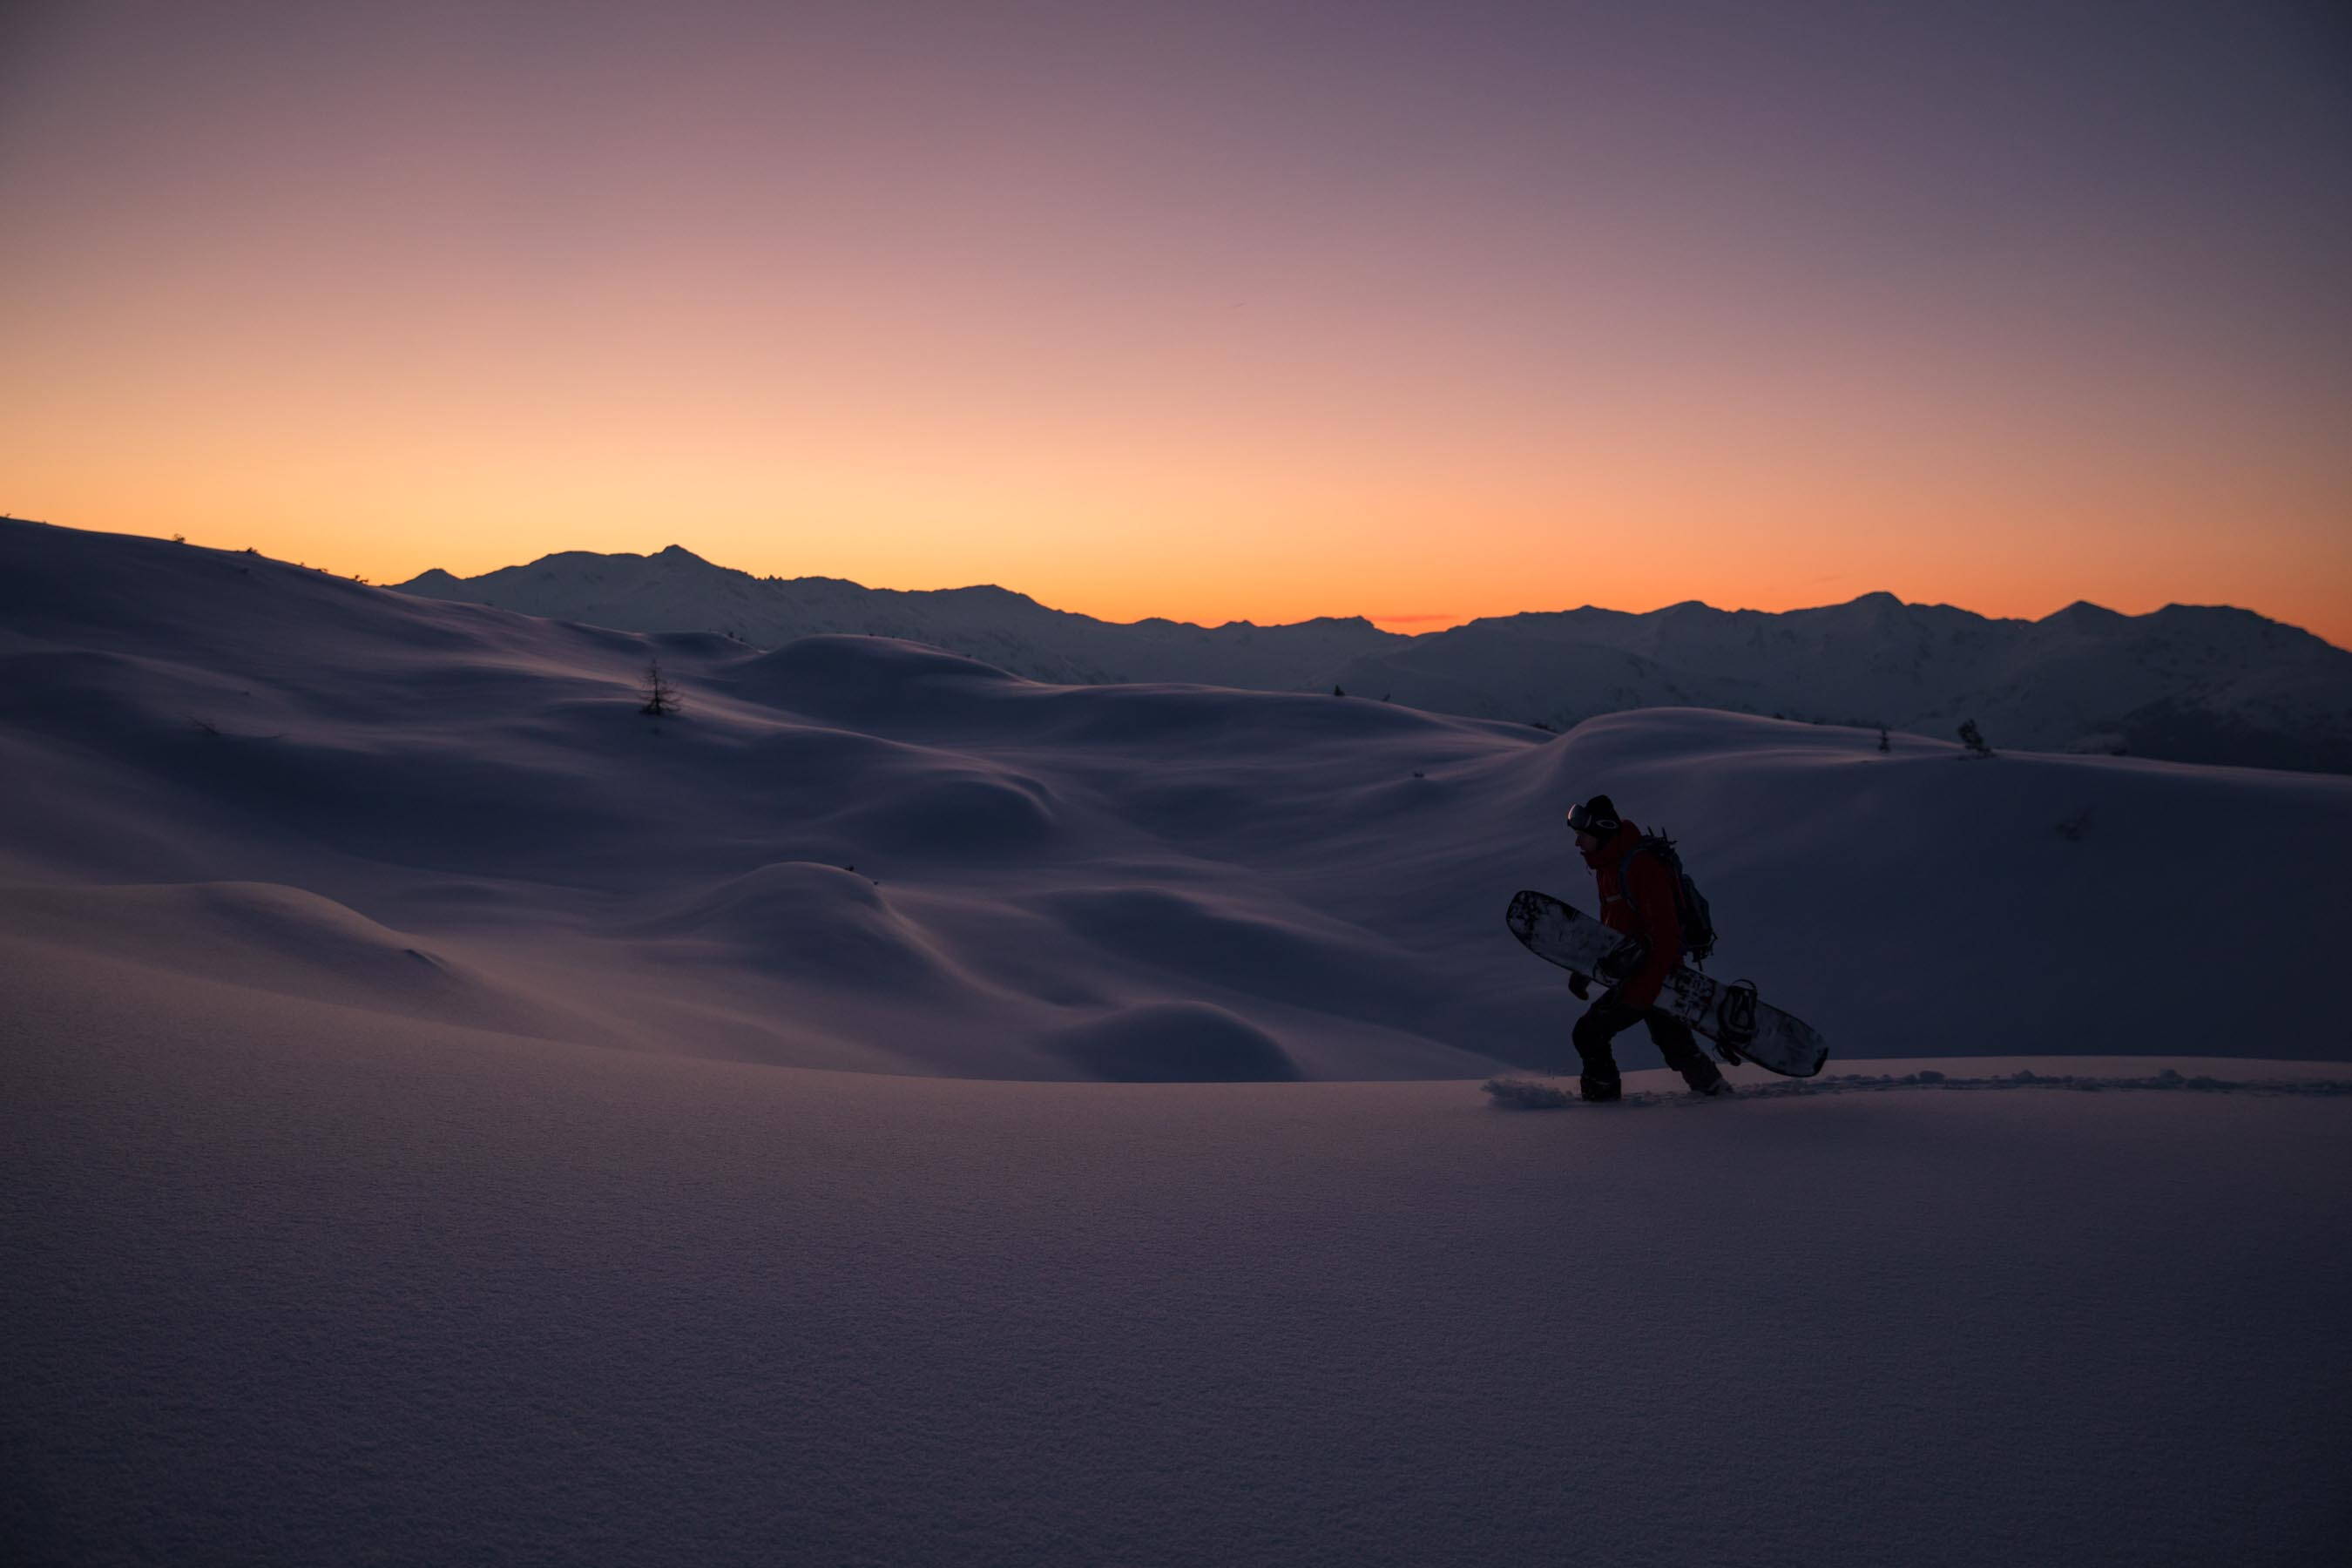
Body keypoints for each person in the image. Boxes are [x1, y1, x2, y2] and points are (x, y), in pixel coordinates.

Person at [1565, 794, 1732, 1102]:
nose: (1578, 844)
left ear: (1601, 832)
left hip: (1653, 976)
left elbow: (1665, 937)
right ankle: (1715, 1092)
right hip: (1644, 976)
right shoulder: (1608, 868)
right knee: (1675, 1044)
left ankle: (1602, 1104)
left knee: (1589, 1033)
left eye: (1582, 836)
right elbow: (1612, 934)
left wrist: (1643, 993)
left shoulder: (1641, 866)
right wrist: (1584, 971)